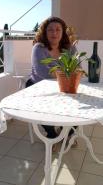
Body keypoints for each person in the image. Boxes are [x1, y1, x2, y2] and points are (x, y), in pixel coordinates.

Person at [26, 16, 77, 145]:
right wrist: (66, 72)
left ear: (63, 32)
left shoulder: (70, 48)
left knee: (78, 107)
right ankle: (51, 134)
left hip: (64, 86)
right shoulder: (39, 48)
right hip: (38, 86)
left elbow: (78, 69)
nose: (54, 33)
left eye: (58, 29)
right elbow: (43, 73)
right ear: (45, 32)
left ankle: (67, 133)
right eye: (50, 30)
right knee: (39, 110)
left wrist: (60, 72)